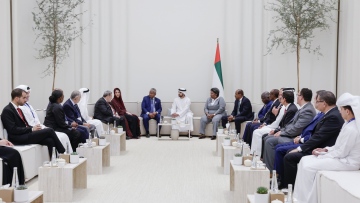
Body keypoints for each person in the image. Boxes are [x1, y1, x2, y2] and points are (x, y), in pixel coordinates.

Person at [294, 92, 360, 203]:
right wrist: (326, 149)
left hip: (348, 162)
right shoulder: (347, 124)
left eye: (341, 109)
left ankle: (307, 200)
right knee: (304, 160)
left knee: (308, 167)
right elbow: (338, 146)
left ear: (347, 111)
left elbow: (342, 153)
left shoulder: (352, 129)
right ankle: (299, 197)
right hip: (341, 158)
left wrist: (323, 155)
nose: (339, 111)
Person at [282, 91, 344, 188]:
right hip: (318, 145)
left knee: (290, 157)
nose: (315, 104)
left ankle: (290, 188)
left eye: (317, 101)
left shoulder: (333, 116)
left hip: (322, 148)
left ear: (324, 103)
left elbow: (318, 137)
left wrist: (300, 148)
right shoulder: (329, 114)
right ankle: (285, 183)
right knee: (289, 152)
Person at [273, 90, 325, 187]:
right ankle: (279, 177)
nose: (315, 102)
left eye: (317, 100)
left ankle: (285, 184)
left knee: (282, 150)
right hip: (301, 138)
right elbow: (306, 129)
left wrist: (301, 140)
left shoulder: (311, 111)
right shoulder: (319, 114)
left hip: (308, 143)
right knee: (279, 147)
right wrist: (300, 137)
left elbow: (314, 134)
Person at [263, 88, 316, 171]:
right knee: (267, 138)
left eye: (298, 95)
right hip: (292, 134)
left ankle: (272, 170)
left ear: (301, 97)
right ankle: (267, 167)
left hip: (294, 137)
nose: (297, 97)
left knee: (269, 141)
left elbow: (297, 128)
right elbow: (290, 124)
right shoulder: (303, 108)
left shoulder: (307, 110)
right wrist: (281, 131)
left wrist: (282, 133)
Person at [1, 88, 65, 157]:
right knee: (50, 130)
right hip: (18, 138)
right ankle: (63, 152)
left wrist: (33, 128)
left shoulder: (18, 109)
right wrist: (31, 129)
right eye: (24, 98)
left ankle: (54, 161)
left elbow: (24, 125)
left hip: (24, 134)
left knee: (50, 141)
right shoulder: (7, 111)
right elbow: (13, 129)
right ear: (16, 98)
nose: (26, 100)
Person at [15, 85, 73, 153]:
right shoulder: (20, 108)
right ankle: (62, 153)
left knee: (62, 136)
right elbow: (28, 123)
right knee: (53, 133)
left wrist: (41, 126)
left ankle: (65, 155)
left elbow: (36, 120)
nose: (28, 96)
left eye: (28, 93)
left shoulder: (28, 105)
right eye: (25, 94)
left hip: (38, 127)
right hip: (32, 130)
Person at [251, 90, 297, 155]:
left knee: (258, 132)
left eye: (281, 95)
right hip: (276, 127)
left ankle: (257, 155)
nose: (279, 97)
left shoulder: (290, 109)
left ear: (284, 99)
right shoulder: (284, 107)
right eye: (279, 95)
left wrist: (275, 130)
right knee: (257, 131)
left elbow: (284, 124)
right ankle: (254, 153)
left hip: (279, 129)